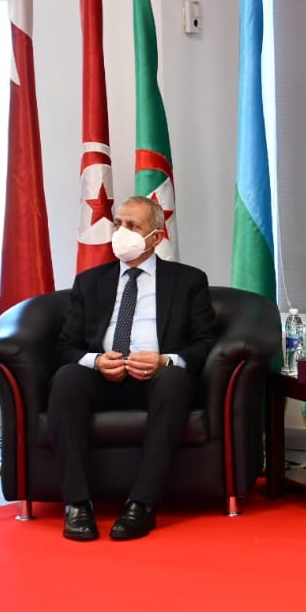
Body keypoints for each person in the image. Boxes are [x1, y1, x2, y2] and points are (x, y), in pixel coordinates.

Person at [50, 196, 217, 542]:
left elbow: (204, 342)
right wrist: (96, 361)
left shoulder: (188, 281)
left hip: (158, 377)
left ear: (156, 237)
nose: (121, 232)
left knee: (174, 381)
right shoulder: (89, 282)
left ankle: (141, 505)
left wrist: (164, 360)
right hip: (103, 376)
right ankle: (77, 506)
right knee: (66, 379)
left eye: (132, 226)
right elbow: (65, 346)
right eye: (118, 224)